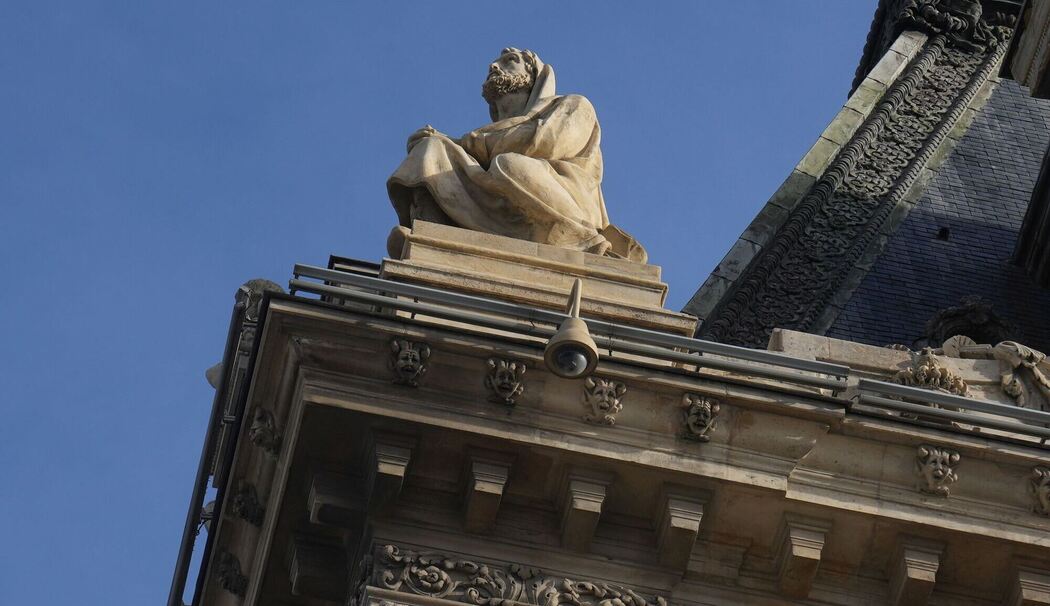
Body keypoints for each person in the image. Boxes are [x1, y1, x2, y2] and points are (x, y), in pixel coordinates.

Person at [386, 48, 646, 263]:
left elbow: (541, 143)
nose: (494, 65)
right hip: (496, 183)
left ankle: (582, 240)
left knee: (510, 165)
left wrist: (467, 143)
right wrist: (450, 143)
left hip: (560, 197)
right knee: (431, 148)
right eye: (497, 60)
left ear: (533, 76)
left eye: (510, 60)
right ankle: (431, 233)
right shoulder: (478, 144)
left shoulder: (574, 105)